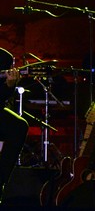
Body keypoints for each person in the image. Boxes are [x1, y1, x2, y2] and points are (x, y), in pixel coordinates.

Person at [0, 48, 29, 201]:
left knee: (19, 126)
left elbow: (1, 99)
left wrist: (8, 86)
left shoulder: (3, 58)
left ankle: (1, 181)